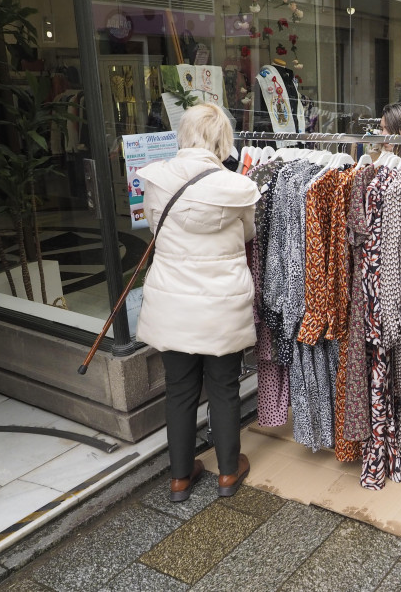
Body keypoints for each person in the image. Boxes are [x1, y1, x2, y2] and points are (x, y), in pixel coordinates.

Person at [136, 103, 260, 502]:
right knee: (223, 386)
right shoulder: (235, 186)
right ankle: (227, 472)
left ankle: (179, 477)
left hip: (172, 299)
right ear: (222, 139)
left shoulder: (155, 179)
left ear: (184, 133)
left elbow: (157, 226)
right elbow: (247, 234)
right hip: (220, 301)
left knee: (179, 389)